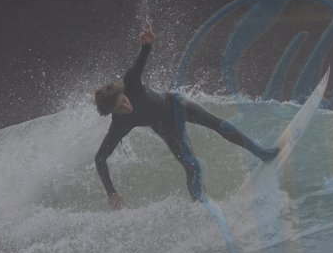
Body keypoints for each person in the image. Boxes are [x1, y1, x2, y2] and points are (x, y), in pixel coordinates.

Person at [94, 25, 278, 209]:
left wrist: (147, 44)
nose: (126, 107)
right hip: (164, 125)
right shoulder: (119, 125)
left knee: (218, 124)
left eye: (123, 100)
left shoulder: (131, 82)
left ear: (123, 93)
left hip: (174, 104)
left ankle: (261, 152)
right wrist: (111, 192)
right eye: (119, 108)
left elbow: (142, 57)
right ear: (113, 112)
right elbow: (100, 158)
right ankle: (202, 205)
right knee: (191, 165)